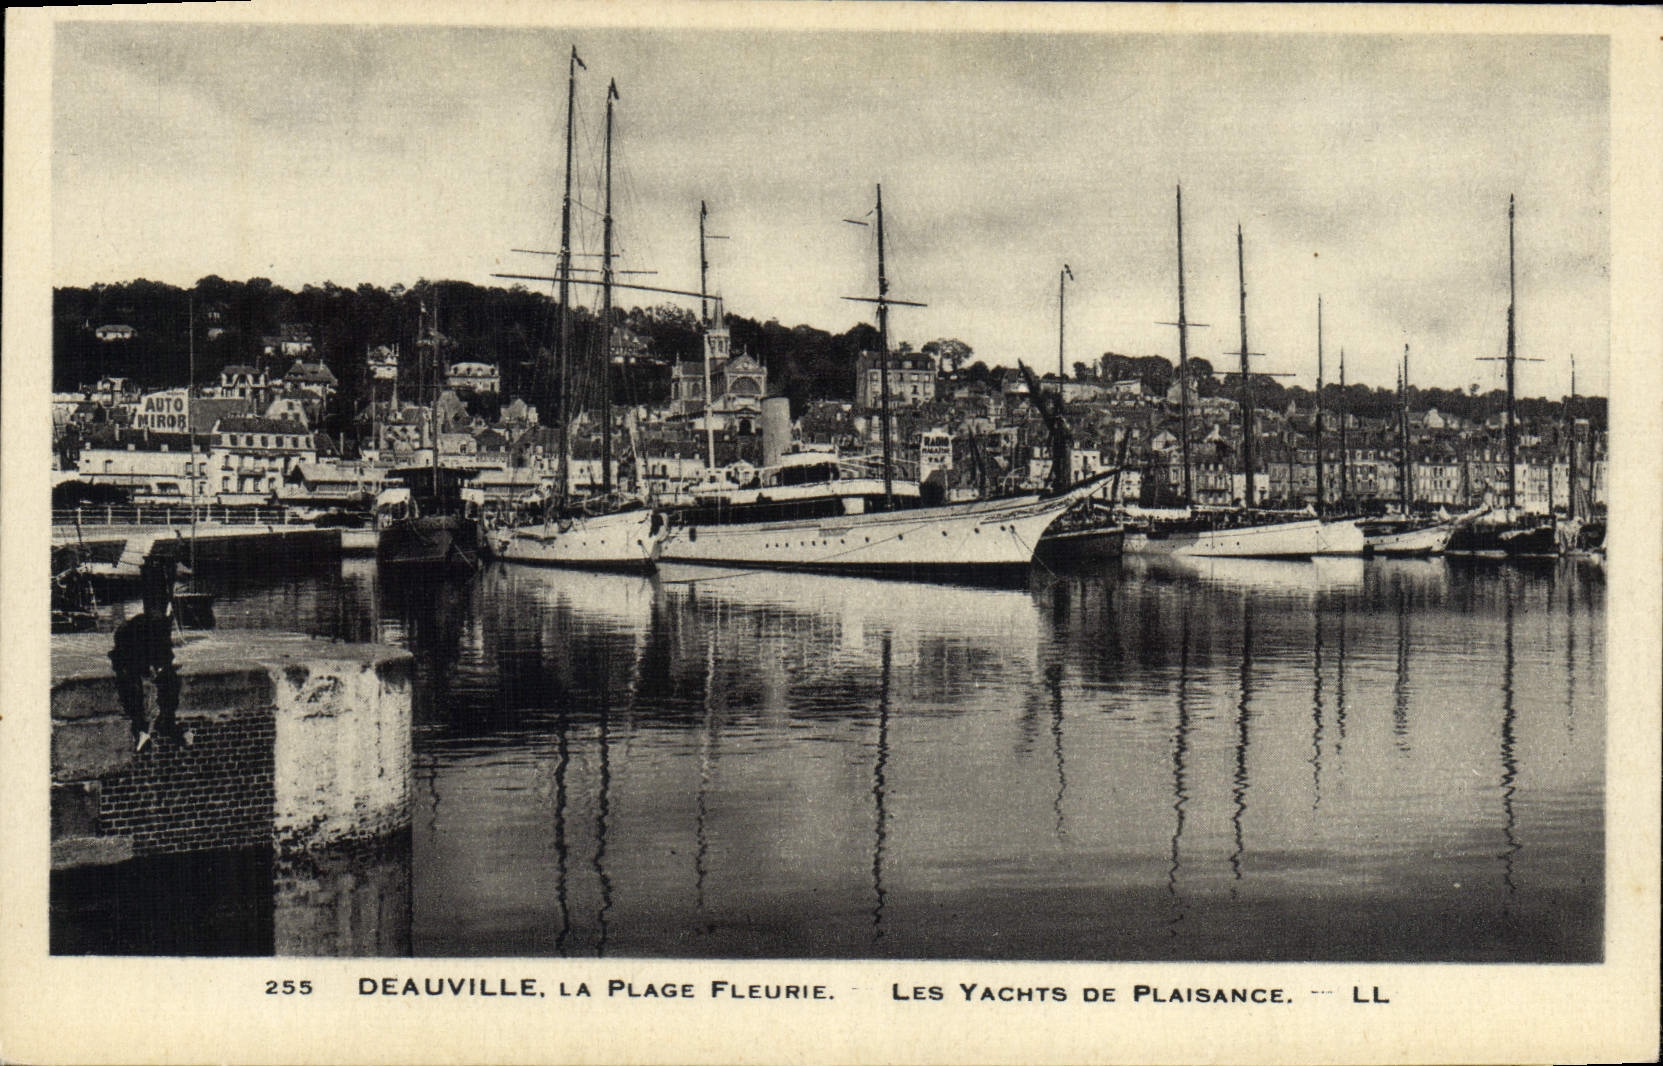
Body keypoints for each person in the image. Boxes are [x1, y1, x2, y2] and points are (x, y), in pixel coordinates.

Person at [109, 558, 191, 751]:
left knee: (170, 679)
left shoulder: (161, 624)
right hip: (130, 655)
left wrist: (162, 665)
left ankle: (166, 721)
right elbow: (127, 653)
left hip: (148, 650)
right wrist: (150, 665)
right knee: (132, 683)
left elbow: (164, 652)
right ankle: (140, 728)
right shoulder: (135, 628)